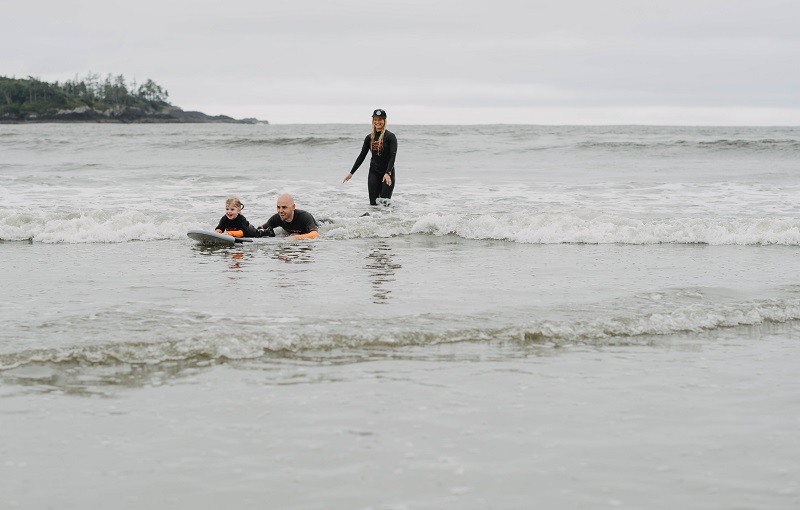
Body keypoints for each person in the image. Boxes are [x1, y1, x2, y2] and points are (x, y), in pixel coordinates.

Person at [343, 108, 397, 206]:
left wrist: (388, 172)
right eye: (375, 119)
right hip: (374, 173)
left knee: (384, 203)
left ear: (384, 121)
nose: (377, 122)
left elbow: (392, 157)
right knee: (373, 204)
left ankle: (387, 221)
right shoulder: (369, 138)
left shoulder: (390, 136)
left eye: (380, 119)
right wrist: (351, 172)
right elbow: (362, 156)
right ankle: (372, 221)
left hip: (387, 173)